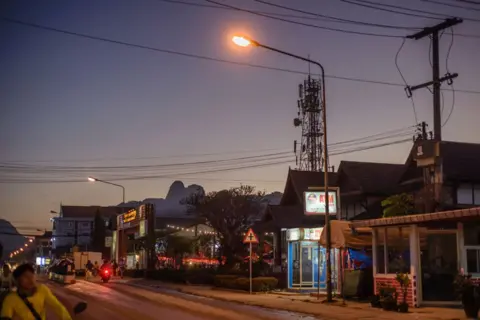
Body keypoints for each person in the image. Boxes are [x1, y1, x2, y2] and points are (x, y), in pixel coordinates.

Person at [1, 263, 72, 320]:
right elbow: (6, 316)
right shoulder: (11, 299)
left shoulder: (42, 290)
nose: (30, 279)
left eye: (32, 276)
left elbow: (58, 307)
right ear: (17, 281)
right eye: (26, 277)